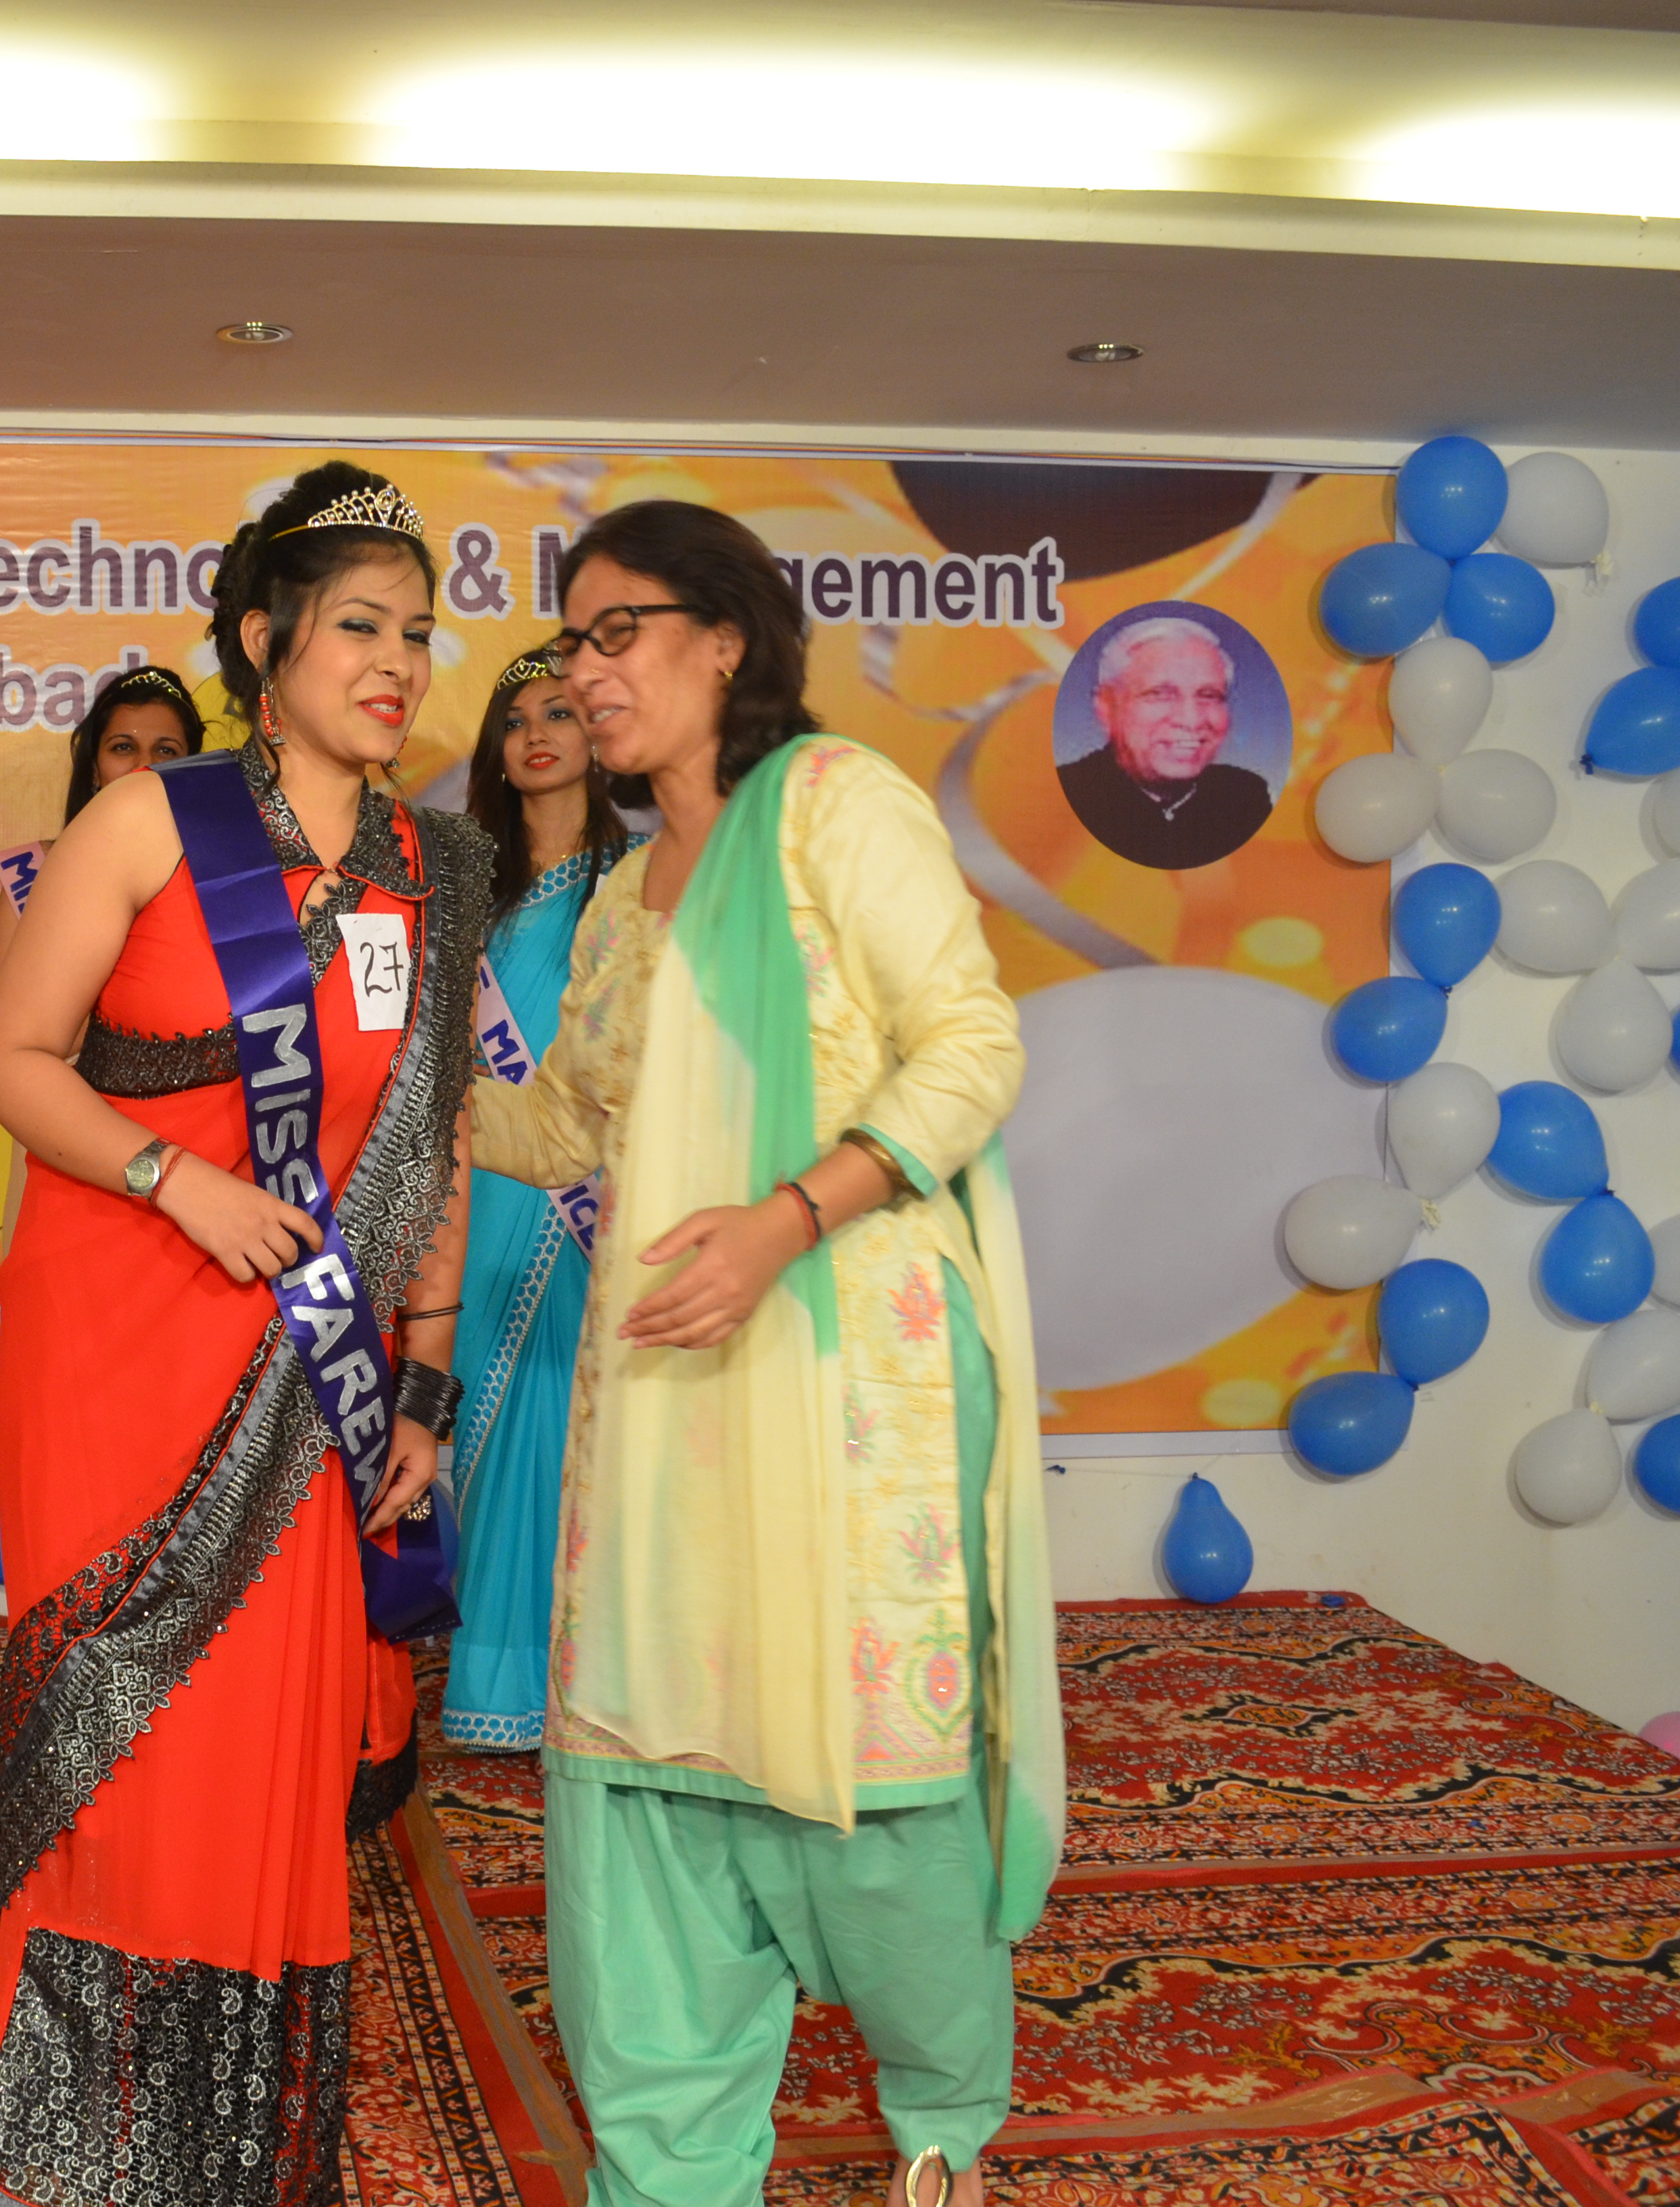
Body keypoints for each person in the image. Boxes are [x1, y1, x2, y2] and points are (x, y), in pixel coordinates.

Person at [471, 502, 1063, 2207]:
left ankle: (940, 2130)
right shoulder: (619, 897)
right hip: (663, 1404)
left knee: (873, 1783)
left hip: (851, 1388)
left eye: (618, 631)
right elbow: (568, 1123)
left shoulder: (836, 807)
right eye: (569, 642)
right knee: (649, 1769)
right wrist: (385, 1087)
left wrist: (787, 1220)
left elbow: (970, 1049)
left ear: (725, 638)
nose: (586, 673)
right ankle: (672, 2166)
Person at [0, 462, 488, 2205]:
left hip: (311, 1366)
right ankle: (63, 2152)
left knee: (262, 1754)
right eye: (361, 627)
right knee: (122, 1740)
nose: (397, 662)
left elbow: (430, 1153)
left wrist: (421, 1383)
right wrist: (173, 1179)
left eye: (418, 632)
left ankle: (225, 2154)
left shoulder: (436, 870)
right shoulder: (148, 822)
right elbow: (10, 1060)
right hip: (122, 1333)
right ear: (267, 641)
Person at [443, 646, 634, 1753]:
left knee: (577, 1428)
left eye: (558, 712)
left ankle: (585, 1682)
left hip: (596, 1196)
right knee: (486, 1415)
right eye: (514, 720)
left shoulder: (641, 881)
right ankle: (497, 1677)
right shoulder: (463, 892)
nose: (535, 735)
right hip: (484, 1191)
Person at [0, 662, 205, 987]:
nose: (144, 765)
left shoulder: (218, 877)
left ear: (194, 770)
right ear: (95, 770)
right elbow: (0, 1018)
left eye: (166, 751)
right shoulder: (33, 872)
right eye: (123, 747)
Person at [1055, 613, 1270, 870]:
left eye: (1209, 696)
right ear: (1107, 708)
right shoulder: (1065, 797)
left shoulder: (1244, 797)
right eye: (1159, 694)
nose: (1191, 720)